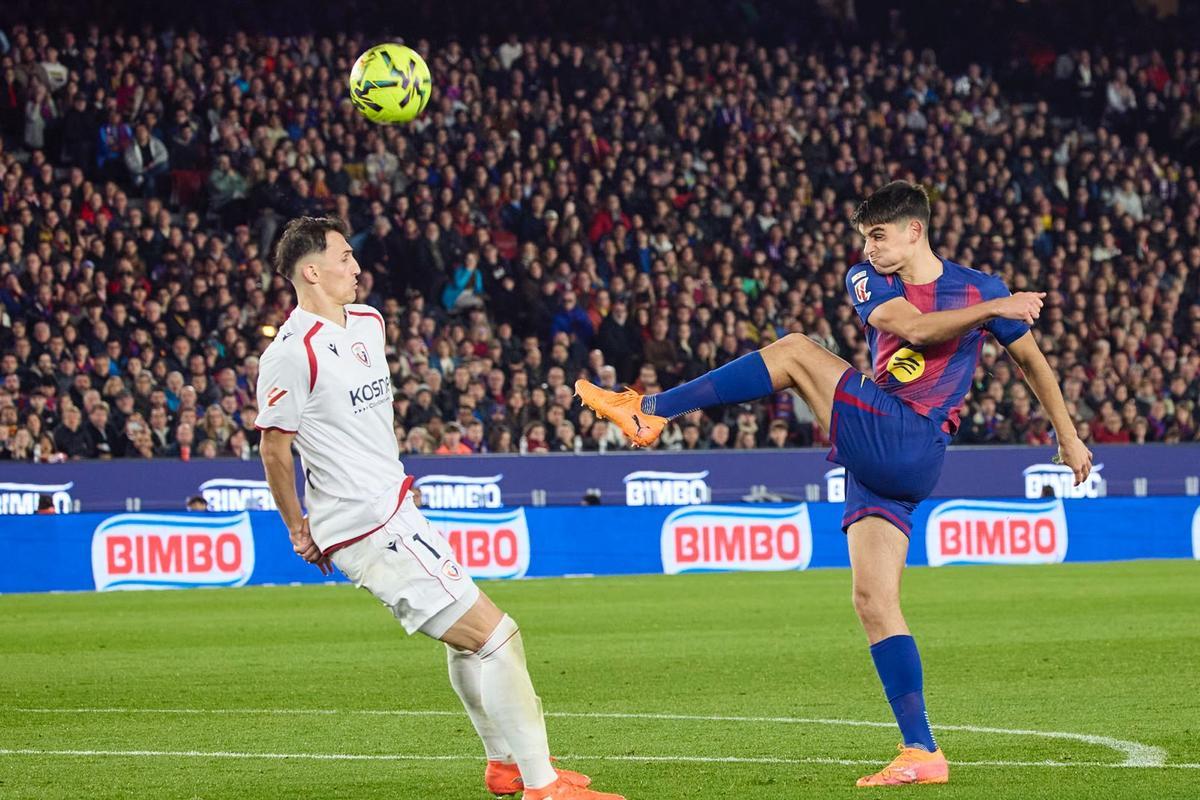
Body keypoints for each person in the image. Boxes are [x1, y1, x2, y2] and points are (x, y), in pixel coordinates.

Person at [576, 181, 1093, 788]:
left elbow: (1034, 362)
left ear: (914, 231)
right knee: (874, 601)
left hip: (911, 438)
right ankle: (921, 751)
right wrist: (995, 310)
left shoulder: (980, 287)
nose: (869, 249)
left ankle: (653, 409)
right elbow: (917, 329)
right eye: (865, 238)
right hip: (880, 451)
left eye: (879, 236)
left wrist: (1070, 436)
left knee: (796, 351)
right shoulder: (874, 281)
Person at [256, 216, 622, 800]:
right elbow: (274, 448)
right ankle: (542, 785)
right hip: (365, 525)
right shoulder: (290, 353)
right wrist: (299, 526)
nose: (356, 266)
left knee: (466, 640)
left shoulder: (369, 323)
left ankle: (504, 765)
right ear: (311, 270)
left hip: (395, 507)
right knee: (497, 635)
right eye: (344, 256)